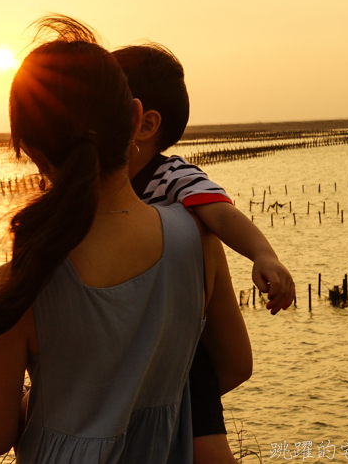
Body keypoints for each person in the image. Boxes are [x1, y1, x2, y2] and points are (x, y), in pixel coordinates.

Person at [0, 16, 252, 463]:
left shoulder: (21, 281)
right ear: (135, 118)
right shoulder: (196, 239)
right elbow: (236, 365)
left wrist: (48, 403)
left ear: (27, 147)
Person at [114, 43, 294, 463]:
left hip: (177, 342)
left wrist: (263, 255)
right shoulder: (89, 188)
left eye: (104, 98)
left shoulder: (171, 175)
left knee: (205, 442)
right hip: (131, 343)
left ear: (146, 123)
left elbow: (221, 214)